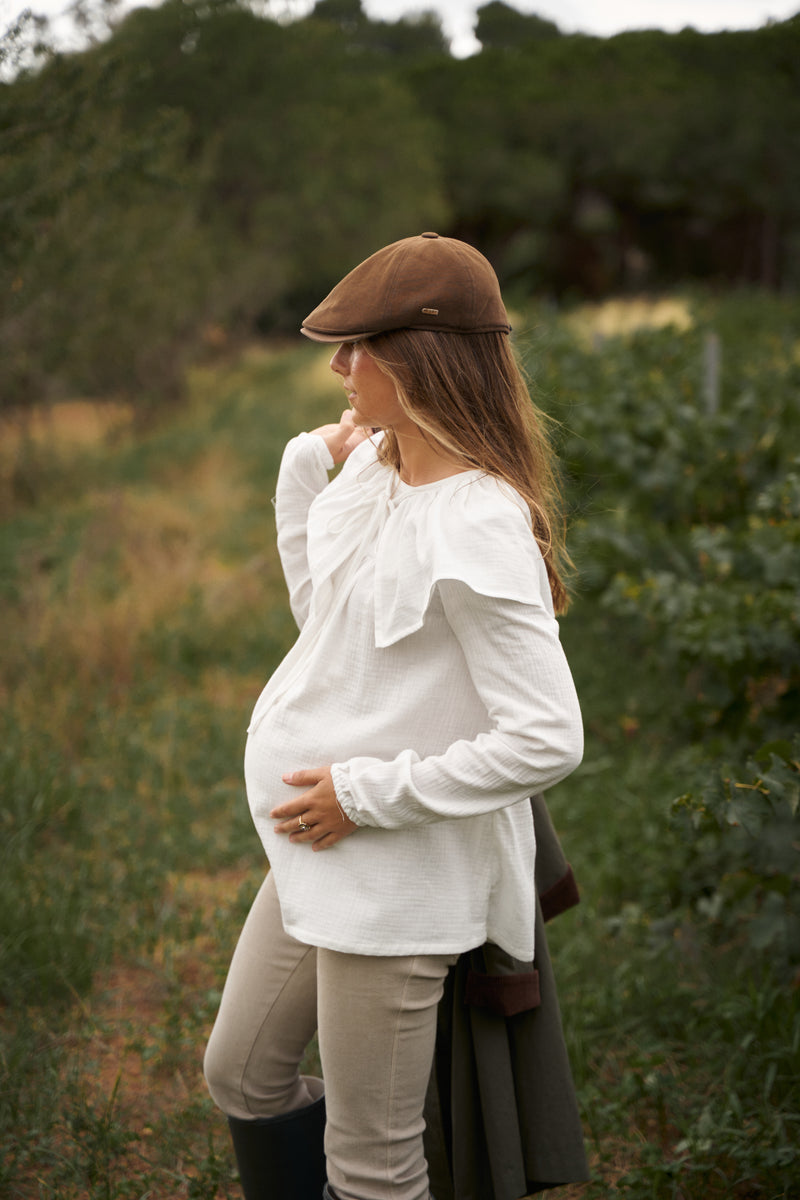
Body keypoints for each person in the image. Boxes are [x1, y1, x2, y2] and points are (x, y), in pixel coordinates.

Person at [203, 232, 584, 1200]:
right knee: (240, 1072)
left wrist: (364, 795)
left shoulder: (479, 521)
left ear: (421, 356)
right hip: (320, 848)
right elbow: (329, 629)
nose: (336, 367)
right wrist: (302, 476)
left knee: (373, 1166)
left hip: (394, 877)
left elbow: (547, 737)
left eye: (356, 346)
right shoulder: (378, 472)